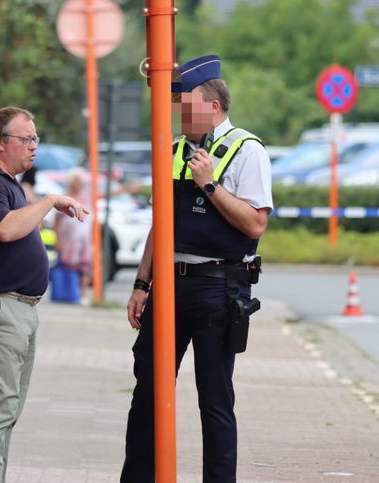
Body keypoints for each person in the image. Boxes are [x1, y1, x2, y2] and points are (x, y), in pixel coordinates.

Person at [120, 55, 273, 482]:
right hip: (168, 285)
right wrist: (141, 283)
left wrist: (209, 185)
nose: (178, 114)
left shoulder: (247, 150)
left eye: (184, 105)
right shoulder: (173, 151)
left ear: (212, 104)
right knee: (147, 394)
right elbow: (160, 224)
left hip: (218, 287)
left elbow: (255, 222)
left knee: (214, 400)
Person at [0, 106, 88, 483]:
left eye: (35, 140)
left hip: (14, 308)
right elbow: (6, 229)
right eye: (26, 139)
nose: (33, 148)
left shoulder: (4, 180)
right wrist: (49, 201)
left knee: (6, 408)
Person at [53, 168, 93, 304]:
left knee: (85, 266)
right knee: (68, 266)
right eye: (77, 181)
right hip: (68, 240)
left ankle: (82, 295)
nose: (80, 184)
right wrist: (57, 240)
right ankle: (69, 293)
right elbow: (56, 221)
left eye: (81, 181)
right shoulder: (64, 197)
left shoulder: (86, 196)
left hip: (84, 239)